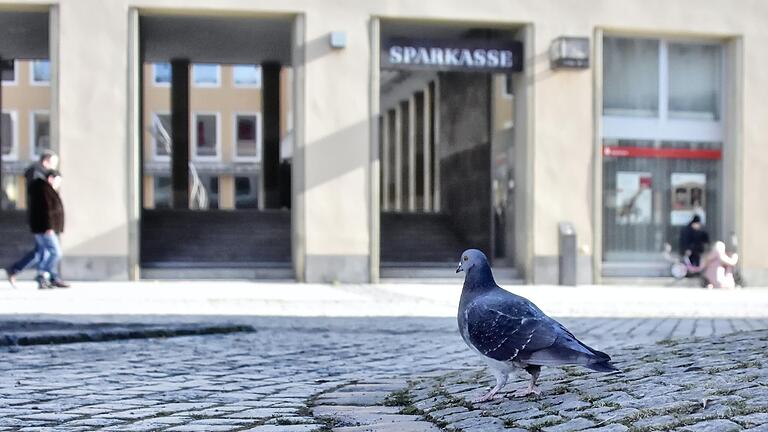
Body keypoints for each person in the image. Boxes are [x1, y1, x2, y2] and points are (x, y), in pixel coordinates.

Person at [5, 150, 60, 287]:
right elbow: (40, 199)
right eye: (53, 163)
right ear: (46, 161)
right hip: (40, 220)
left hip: (40, 219)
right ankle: (44, 275)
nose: (54, 166)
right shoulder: (37, 174)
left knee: (41, 250)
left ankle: (46, 276)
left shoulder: (40, 174)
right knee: (50, 251)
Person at [26, 169, 69, 289]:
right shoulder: (44, 190)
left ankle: (49, 277)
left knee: (45, 253)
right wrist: (49, 226)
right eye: (57, 181)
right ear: (51, 178)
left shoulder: (43, 189)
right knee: (56, 252)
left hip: (43, 227)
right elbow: (46, 210)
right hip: (45, 227)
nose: (58, 184)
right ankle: (43, 274)